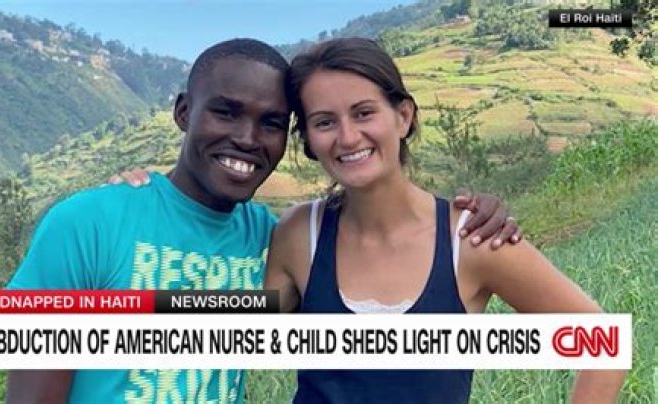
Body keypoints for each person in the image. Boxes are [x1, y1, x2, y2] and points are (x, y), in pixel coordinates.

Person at [6, 38, 519, 403]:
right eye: (225, 112)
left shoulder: (269, 237)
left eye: (271, 123)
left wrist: (476, 214)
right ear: (184, 113)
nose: (248, 139)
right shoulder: (87, 222)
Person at [263, 38, 626, 403]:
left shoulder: (471, 238)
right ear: (308, 139)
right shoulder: (300, 233)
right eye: (325, 122)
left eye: (364, 113)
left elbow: (604, 344)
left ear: (403, 117)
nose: (348, 137)